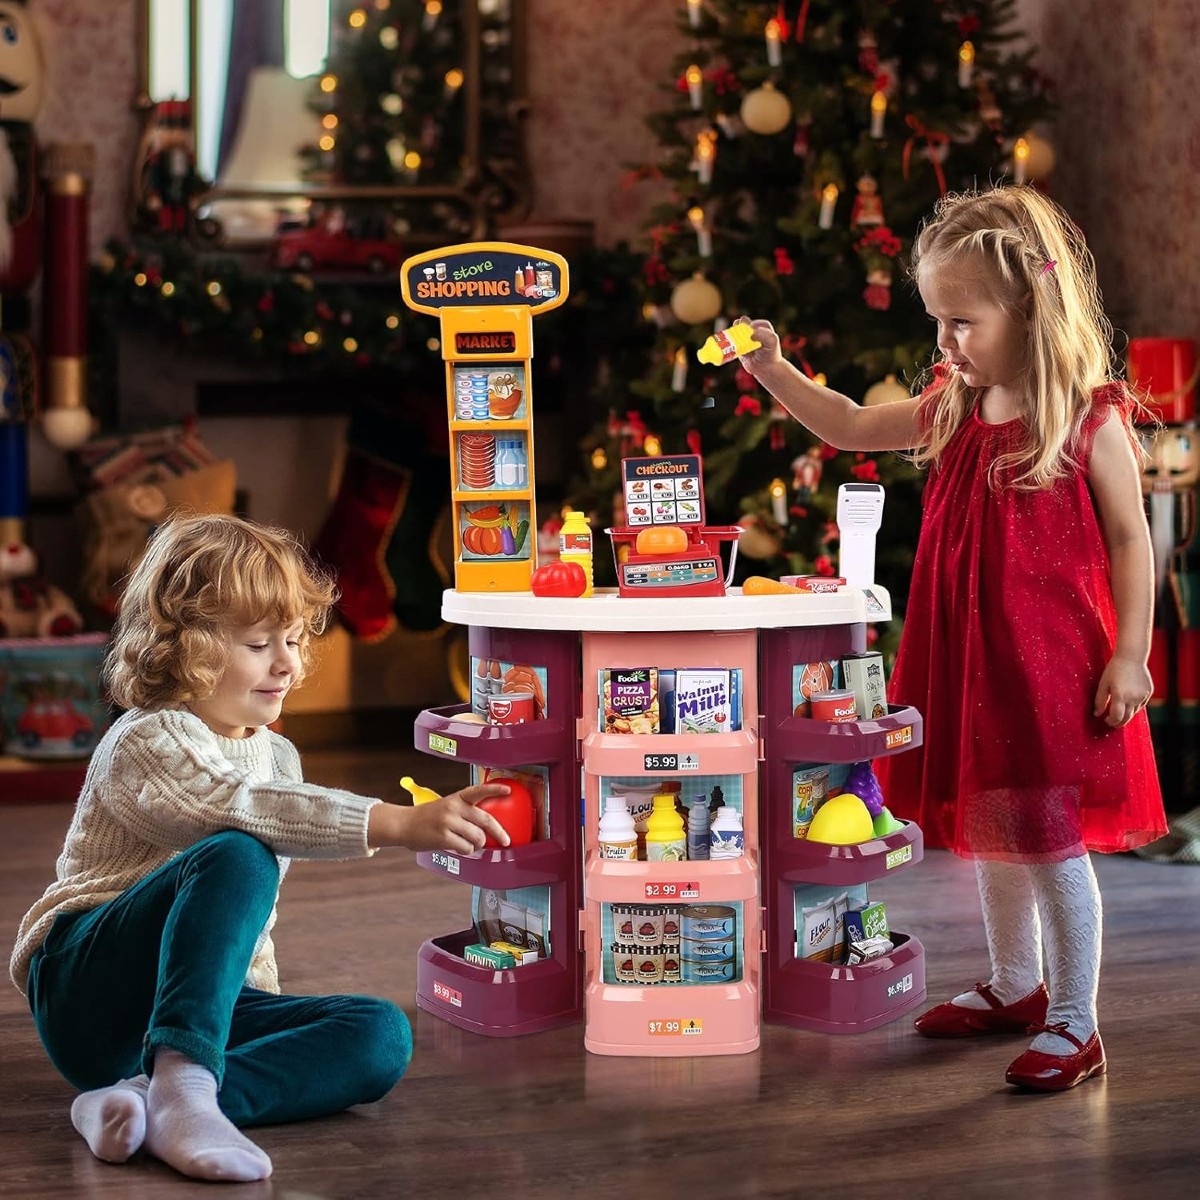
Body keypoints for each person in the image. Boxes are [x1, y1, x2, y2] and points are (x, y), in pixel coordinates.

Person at [739, 186, 1168, 1092]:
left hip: (1054, 669)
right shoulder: (952, 408)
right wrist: (775, 370)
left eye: (961, 323)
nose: (945, 345)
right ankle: (1016, 983)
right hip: (973, 662)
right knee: (992, 822)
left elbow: (1133, 541)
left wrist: (1131, 655)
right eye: (937, 323)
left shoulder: (1091, 418)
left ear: (1028, 310)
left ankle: (1075, 1021)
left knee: (1048, 839)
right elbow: (852, 425)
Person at [9, 513, 512, 1182]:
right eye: (258, 644)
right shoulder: (147, 738)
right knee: (239, 849)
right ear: (185, 647)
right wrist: (396, 822)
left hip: (181, 1013)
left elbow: (253, 921)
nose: (288, 663)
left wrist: (251, 1003)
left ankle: (145, 1099)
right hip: (91, 989)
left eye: (296, 640)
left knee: (380, 1036)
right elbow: (240, 811)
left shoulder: (276, 755)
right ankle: (183, 1085)